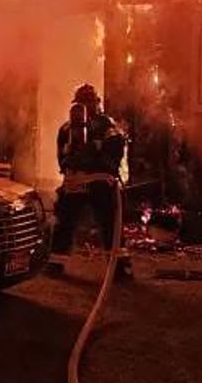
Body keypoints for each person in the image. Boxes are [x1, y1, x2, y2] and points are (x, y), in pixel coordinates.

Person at [46, 83, 132, 279]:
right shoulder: (70, 128)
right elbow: (63, 157)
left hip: (94, 182)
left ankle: (119, 268)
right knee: (68, 222)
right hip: (80, 182)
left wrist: (94, 152)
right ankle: (57, 263)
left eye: (87, 102)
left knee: (107, 224)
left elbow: (115, 148)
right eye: (82, 102)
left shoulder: (105, 125)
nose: (85, 106)